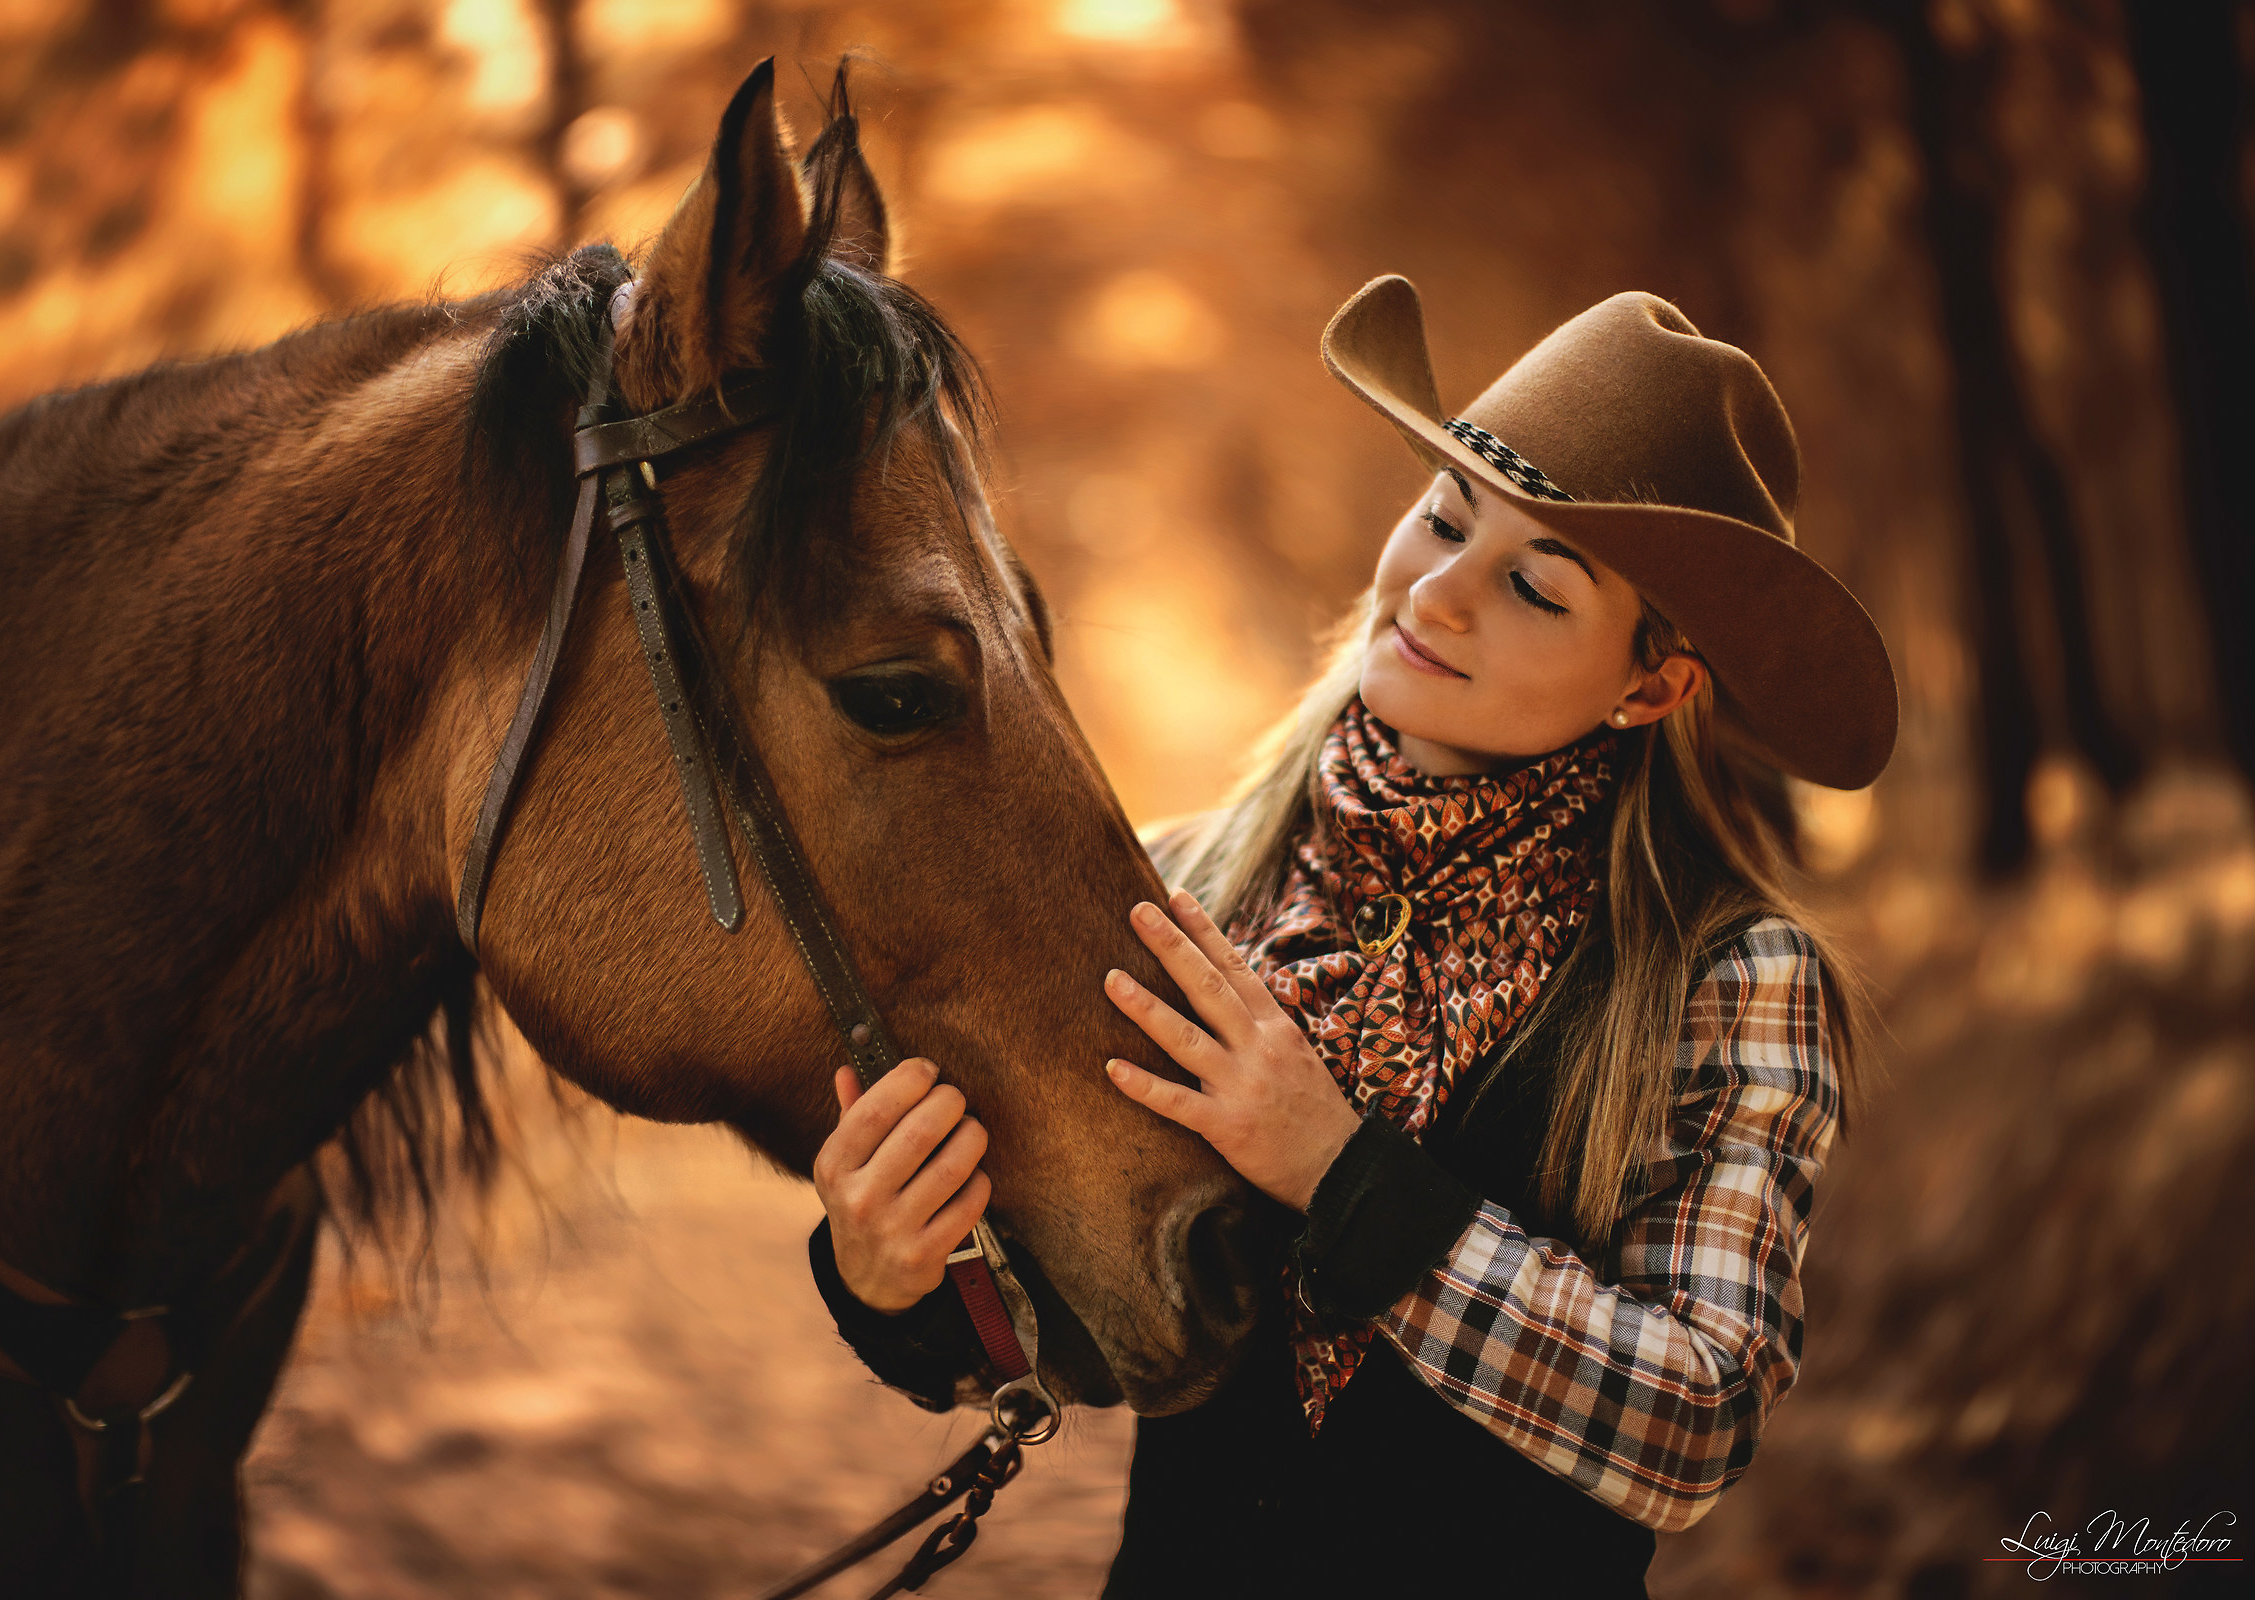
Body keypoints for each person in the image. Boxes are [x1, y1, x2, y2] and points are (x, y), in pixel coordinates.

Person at [805, 275, 1895, 1596]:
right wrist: (894, 1278)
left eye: (1534, 587)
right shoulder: (1180, 884)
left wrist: (1336, 1168)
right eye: (1443, 516)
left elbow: (1692, 1423)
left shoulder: (1735, 980)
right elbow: (1069, 1334)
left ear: (1652, 684)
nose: (1437, 593)